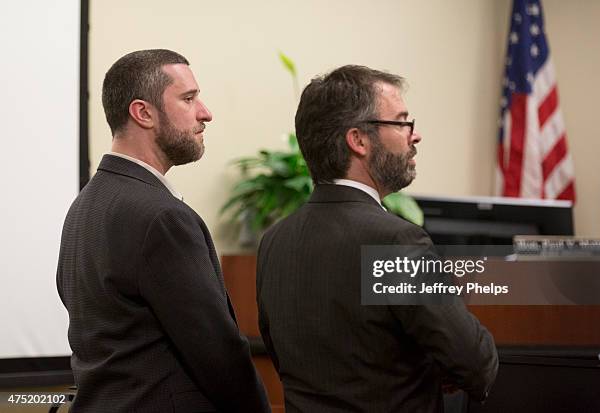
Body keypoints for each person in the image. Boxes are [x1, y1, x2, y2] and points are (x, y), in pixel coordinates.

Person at [256, 65, 498, 412]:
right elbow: (474, 361)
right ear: (358, 140)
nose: (414, 136)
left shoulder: (275, 241)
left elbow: (287, 360)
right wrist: (438, 366)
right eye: (401, 122)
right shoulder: (396, 240)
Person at [56, 49, 270, 413]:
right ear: (143, 113)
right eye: (188, 98)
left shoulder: (85, 205)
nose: (206, 112)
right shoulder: (161, 216)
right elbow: (218, 353)